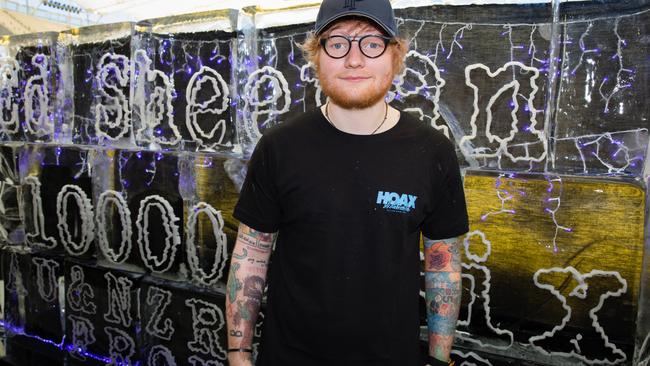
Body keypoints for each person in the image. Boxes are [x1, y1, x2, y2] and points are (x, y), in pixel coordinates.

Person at [226, 0, 469, 365]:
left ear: (395, 55)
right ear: (316, 55)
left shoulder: (432, 151)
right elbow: (251, 256)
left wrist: (439, 359)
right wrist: (238, 354)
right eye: (337, 43)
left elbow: (443, 266)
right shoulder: (279, 147)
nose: (354, 60)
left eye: (371, 43)